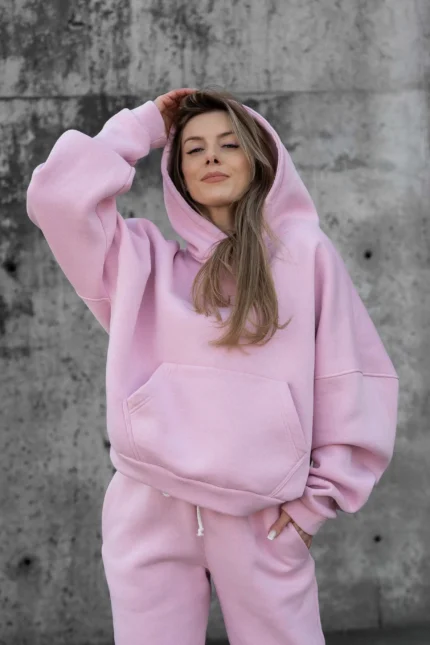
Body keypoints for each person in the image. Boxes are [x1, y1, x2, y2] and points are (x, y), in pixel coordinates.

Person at [26, 87, 399, 645]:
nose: (211, 158)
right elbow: (56, 197)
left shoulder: (305, 254)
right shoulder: (141, 263)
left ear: (258, 157)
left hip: (263, 516)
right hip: (149, 504)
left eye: (229, 144)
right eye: (193, 149)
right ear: (177, 171)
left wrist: (313, 507)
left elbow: (352, 379)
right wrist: (144, 125)